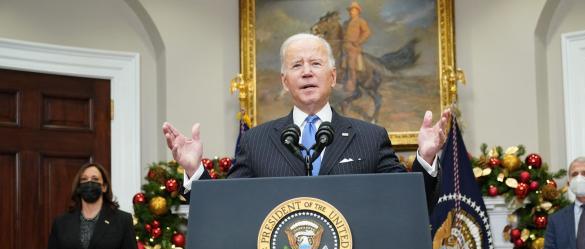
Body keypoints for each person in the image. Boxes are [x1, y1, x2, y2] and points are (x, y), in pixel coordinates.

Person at [162, 33, 449, 207]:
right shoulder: (255, 141)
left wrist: (424, 158)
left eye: (316, 64)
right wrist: (194, 171)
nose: (307, 72)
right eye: (297, 65)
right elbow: (227, 209)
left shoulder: (370, 137)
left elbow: (410, 203)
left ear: (333, 77)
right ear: (285, 81)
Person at [342, 1, 370, 92]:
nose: (351, 12)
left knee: (351, 65)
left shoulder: (361, 21)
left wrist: (358, 41)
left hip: (354, 48)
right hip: (344, 46)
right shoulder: (346, 23)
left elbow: (367, 32)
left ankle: (352, 84)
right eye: (350, 10)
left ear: (358, 11)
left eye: (353, 10)